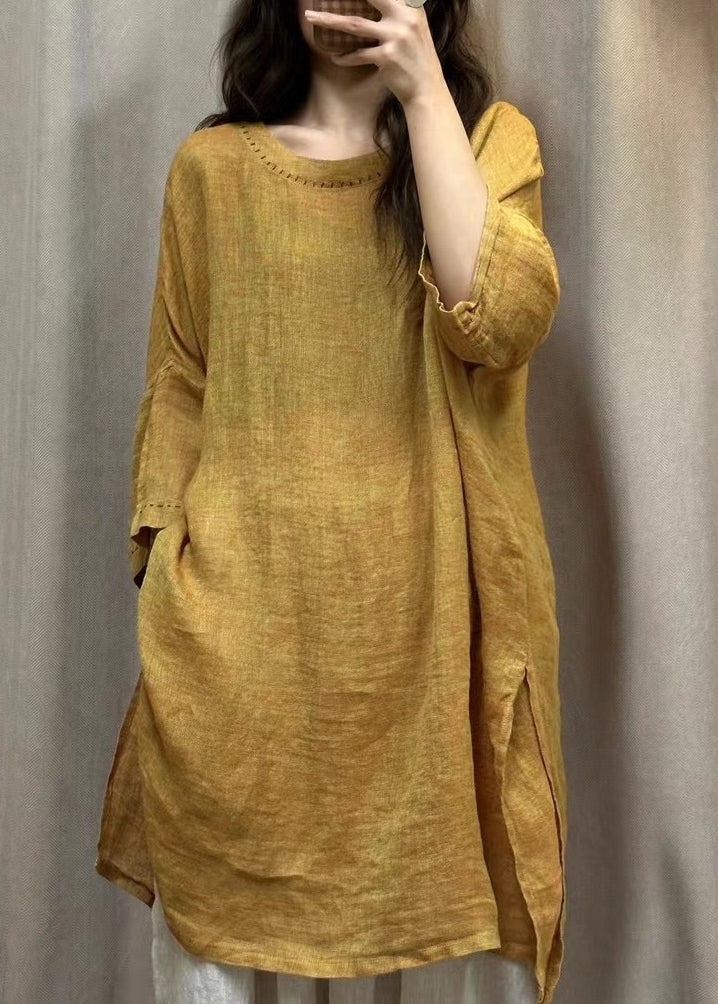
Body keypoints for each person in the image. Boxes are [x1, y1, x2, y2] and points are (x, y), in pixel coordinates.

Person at [95, 1, 567, 1002]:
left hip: (430, 664)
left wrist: (424, 92)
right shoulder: (214, 171)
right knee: (214, 944)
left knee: (432, 942)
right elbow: (180, 383)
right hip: (236, 653)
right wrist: (162, 561)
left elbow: (500, 319)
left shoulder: (488, 146)